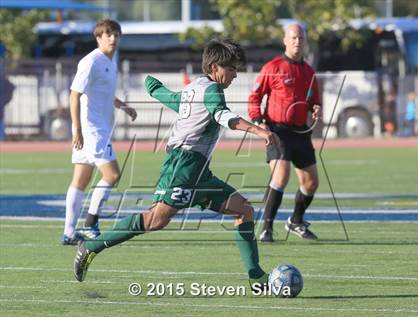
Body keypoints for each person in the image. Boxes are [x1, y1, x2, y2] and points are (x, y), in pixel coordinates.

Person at [73, 38, 280, 289]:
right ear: (214, 67)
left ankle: (256, 277)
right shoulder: (212, 91)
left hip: (198, 170)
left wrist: (153, 87)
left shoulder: (196, 88)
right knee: (155, 221)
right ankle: (90, 246)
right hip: (183, 164)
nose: (236, 74)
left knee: (244, 210)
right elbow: (222, 115)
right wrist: (259, 131)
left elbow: (170, 97)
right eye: (232, 68)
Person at [62, 19, 137, 245]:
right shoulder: (91, 62)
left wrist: (123, 106)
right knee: (112, 175)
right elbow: (74, 95)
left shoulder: (110, 62)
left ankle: (68, 232)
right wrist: (77, 130)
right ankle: (91, 223)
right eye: (107, 35)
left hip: (96, 128)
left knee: (80, 181)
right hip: (91, 129)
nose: (112, 38)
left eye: (115, 34)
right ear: (98, 38)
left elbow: (102, 93)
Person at [248, 24, 321, 242]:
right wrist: (258, 121)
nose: (298, 41)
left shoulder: (309, 71)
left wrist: (315, 107)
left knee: (311, 183)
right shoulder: (272, 67)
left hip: (300, 132)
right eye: (293, 38)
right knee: (281, 176)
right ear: (285, 40)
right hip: (277, 130)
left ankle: (296, 221)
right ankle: (266, 228)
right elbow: (254, 97)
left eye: (301, 38)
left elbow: (313, 100)